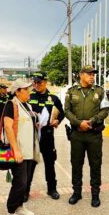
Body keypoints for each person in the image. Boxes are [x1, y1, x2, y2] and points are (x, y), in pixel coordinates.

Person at [64, 65, 109, 207]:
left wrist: (92, 121)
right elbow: (66, 110)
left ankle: (95, 194)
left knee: (95, 164)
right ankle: (76, 192)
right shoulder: (71, 92)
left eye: (93, 74)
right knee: (76, 164)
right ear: (81, 75)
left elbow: (105, 109)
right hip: (77, 134)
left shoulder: (99, 91)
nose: (92, 76)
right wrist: (78, 123)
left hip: (94, 134)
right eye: (89, 74)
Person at [2, 79, 40, 215]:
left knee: (26, 181)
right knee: (20, 183)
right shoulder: (11, 105)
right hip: (19, 152)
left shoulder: (27, 105)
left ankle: (19, 207)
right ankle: (10, 213)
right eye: (26, 89)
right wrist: (16, 149)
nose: (29, 92)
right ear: (17, 91)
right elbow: (8, 127)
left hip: (29, 150)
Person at [25, 71, 64, 200]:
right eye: (34, 82)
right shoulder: (28, 96)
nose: (36, 85)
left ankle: (52, 189)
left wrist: (58, 120)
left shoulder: (53, 98)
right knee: (30, 164)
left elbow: (62, 113)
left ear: (46, 82)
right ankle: (25, 191)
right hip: (32, 136)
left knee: (49, 163)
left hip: (47, 135)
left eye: (39, 82)